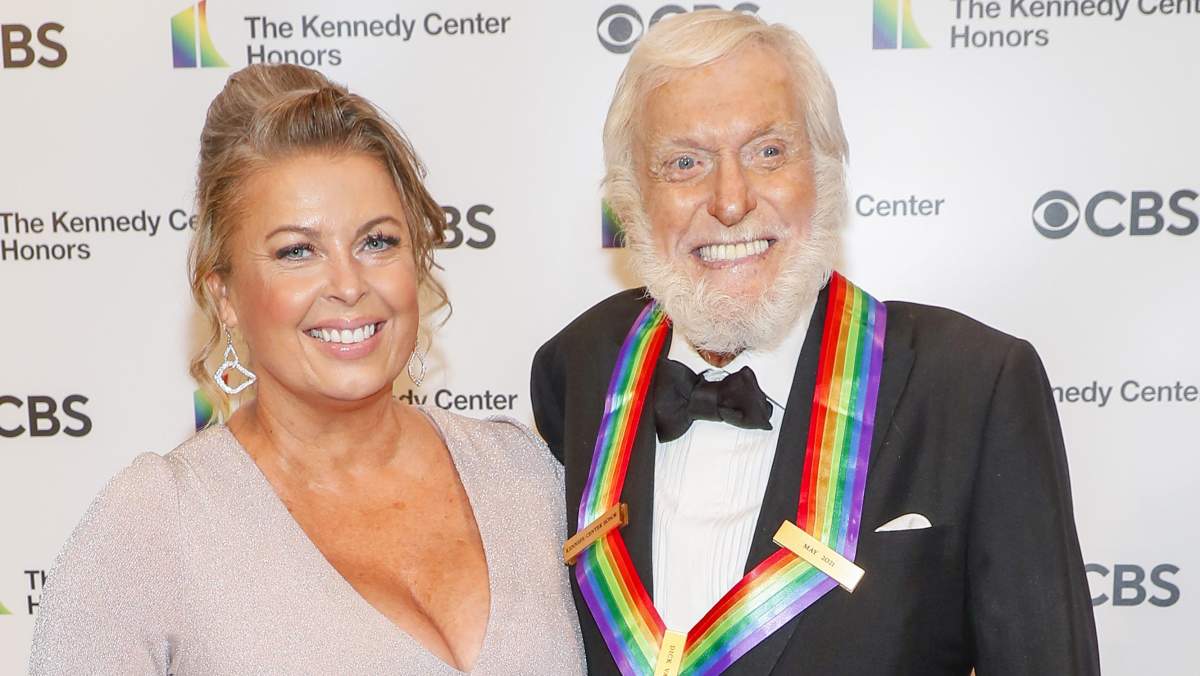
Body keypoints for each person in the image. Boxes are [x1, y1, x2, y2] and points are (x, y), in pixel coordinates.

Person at [531, 10, 1099, 676]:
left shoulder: (972, 387)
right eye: (684, 163)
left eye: (768, 152)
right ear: (630, 201)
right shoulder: (580, 368)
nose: (731, 201)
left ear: (826, 174)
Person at [30, 64, 585, 675]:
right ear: (224, 296)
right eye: (297, 251)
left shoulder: (527, 476)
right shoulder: (156, 527)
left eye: (377, 242)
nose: (348, 284)